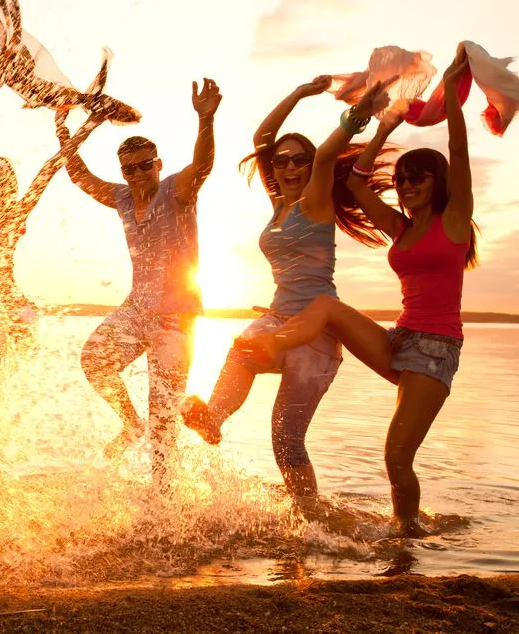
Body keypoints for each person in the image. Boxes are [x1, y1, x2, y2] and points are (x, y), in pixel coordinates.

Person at [236, 46, 478, 535]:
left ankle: (407, 534)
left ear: (438, 183)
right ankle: (273, 340)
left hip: (434, 354)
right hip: (399, 340)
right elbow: (362, 184)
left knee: (395, 458)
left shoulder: (453, 223)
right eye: (403, 179)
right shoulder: (402, 229)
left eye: (417, 178)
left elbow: (458, 150)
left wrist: (451, 95)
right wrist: (383, 128)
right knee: (327, 306)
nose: (407, 186)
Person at [182, 77, 396, 498]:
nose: (290, 167)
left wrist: (358, 117)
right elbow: (263, 138)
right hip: (278, 321)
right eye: (282, 162)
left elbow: (328, 156)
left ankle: (311, 517)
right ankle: (212, 422)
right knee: (242, 349)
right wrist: (299, 92)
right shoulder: (279, 203)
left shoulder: (315, 200)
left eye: (300, 160)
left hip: (316, 332)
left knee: (286, 441)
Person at [54, 78, 222, 483]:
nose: (138, 174)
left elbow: (202, 166)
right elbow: (80, 176)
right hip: (136, 310)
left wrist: (206, 118)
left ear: (158, 164)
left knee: (161, 413)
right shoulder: (123, 198)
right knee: (94, 361)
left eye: (146, 164)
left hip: (175, 319)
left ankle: (162, 498)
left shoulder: (177, 191)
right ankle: (130, 425)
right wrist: (62, 130)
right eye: (130, 169)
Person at [0, 50, 109, 429]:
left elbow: (49, 168)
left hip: (8, 313)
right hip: (0, 313)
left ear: (6, 185)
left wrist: (89, 126)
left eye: (0, 174)